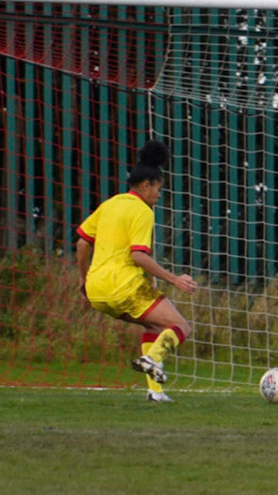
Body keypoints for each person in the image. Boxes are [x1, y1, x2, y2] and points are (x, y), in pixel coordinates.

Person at [75, 141, 197, 403]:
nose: (159, 195)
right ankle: (152, 359)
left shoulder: (110, 204)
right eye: (158, 189)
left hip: (97, 292)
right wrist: (174, 279)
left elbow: (82, 242)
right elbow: (138, 255)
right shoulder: (142, 210)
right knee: (181, 327)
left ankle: (155, 391)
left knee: (153, 324)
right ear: (146, 185)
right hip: (124, 286)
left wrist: (84, 280)